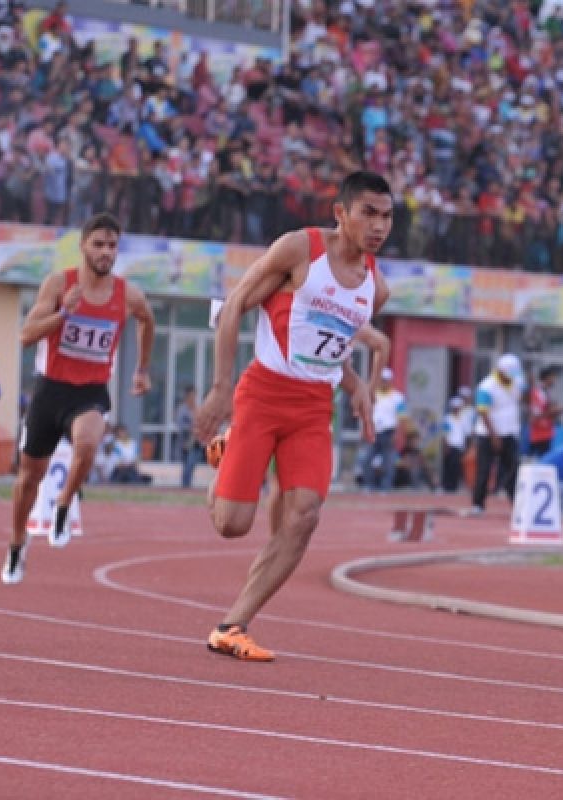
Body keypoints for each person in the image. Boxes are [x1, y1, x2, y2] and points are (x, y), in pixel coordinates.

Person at [193, 170, 393, 662]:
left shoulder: (376, 287)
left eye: (387, 217)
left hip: (312, 410)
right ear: (340, 213)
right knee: (232, 525)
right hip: (262, 395)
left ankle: (232, 624)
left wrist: (357, 387)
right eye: (368, 213)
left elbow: (326, 344)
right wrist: (221, 387)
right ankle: (227, 450)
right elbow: (238, 303)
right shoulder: (300, 250)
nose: (379, 226)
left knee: (304, 516)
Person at [2, 212, 156, 584]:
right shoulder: (59, 285)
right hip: (50, 389)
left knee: (88, 443)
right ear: (83, 246)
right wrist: (63, 314)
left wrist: (141, 369)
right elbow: (26, 335)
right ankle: (17, 542)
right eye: (99, 245)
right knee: (28, 478)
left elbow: (147, 320)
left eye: (112, 246)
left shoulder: (127, 294)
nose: (106, 252)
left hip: (90, 390)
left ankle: (64, 503)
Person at [470, 353, 522, 515]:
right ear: (500, 371)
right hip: (489, 434)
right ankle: (478, 504)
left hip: (510, 432)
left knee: (514, 469)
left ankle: (518, 504)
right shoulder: (486, 387)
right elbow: (483, 412)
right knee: (484, 470)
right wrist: (494, 436)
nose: (511, 378)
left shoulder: (515, 382)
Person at [363, 366, 405, 491]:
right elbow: (366, 413)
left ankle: (385, 486)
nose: (384, 382)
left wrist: (397, 434)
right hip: (374, 430)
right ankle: (368, 485)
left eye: (386, 380)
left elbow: (402, 418)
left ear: (390, 380)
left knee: (388, 461)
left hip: (388, 431)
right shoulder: (372, 395)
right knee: (367, 459)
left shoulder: (398, 397)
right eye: (382, 380)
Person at [527, 367, 558, 457]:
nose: (554, 380)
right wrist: (553, 411)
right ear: (546, 378)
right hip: (539, 434)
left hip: (547, 433)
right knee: (537, 461)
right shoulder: (537, 392)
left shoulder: (547, 392)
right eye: (552, 377)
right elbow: (535, 415)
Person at [440, 395, 468, 492]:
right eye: (456, 407)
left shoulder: (463, 418)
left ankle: (454, 486)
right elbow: (444, 434)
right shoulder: (448, 418)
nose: (457, 409)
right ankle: (446, 485)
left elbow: (466, 433)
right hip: (451, 445)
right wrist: (446, 446)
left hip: (460, 446)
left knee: (456, 467)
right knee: (449, 466)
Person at [174, 385, 200, 488]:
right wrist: (191, 427)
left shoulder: (198, 408)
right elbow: (180, 425)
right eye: (192, 395)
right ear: (187, 396)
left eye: (195, 395)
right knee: (187, 466)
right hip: (186, 442)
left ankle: (187, 485)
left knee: (191, 465)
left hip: (196, 442)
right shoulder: (182, 410)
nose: (194, 397)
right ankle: (185, 487)